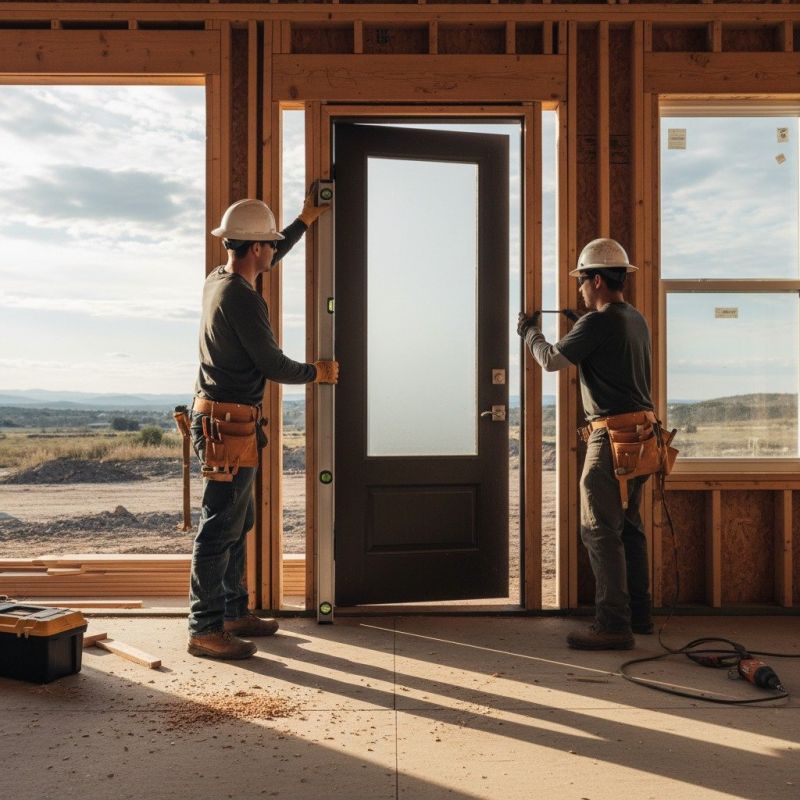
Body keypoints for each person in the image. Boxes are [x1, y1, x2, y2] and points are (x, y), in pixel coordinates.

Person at [187, 194, 339, 660]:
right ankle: (205, 628)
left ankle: (234, 612)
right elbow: (271, 363)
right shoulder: (240, 298)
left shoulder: (220, 278)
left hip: (227, 419)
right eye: (270, 245)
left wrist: (302, 221)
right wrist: (318, 372)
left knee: (239, 520)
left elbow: (271, 253)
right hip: (228, 425)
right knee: (219, 528)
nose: (275, 250)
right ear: (256, 249)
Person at [517, 238, 654, 651]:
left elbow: (552, 360)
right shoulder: (634, 318)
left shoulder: (597, 323)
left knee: (599, 531)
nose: (579, 289)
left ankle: (613, 624)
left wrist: (530, 333)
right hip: (644, 439)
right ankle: (641, 615)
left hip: (610, 438)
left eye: (582, 281)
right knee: (629, 528)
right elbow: (609, 354)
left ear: (596, 280)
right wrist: (582, 324)